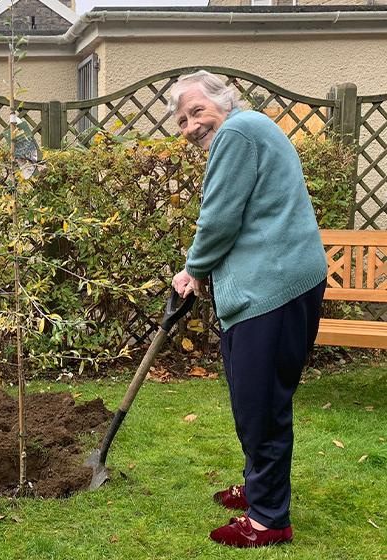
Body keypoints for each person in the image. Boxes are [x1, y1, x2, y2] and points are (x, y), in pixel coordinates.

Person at [168, 71, 327, 548]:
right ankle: (260, 488)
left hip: (273, 288)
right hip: (271, 285)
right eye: (181, 121)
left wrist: (193, 269)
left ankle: (269, 519)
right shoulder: (249, 129)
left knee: (261, 405)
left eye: (197, 112)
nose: (192, 126)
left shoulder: (238, 131)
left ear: (224, 101)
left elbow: (219, 216)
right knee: (252, 398)